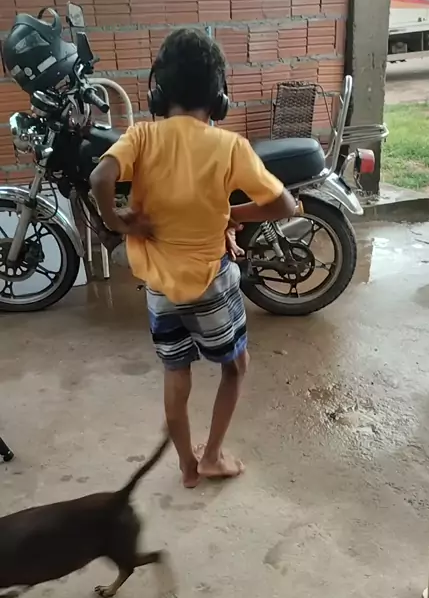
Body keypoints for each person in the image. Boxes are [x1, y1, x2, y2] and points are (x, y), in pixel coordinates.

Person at [90, 28, 296, 488]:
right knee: (235, 366)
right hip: (211, 283)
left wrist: (119, 222)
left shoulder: (140, 136)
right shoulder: (229, 146)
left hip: (159, 288)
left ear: (158, 93)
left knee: (176, 371)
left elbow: (100, 177)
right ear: (219, 99)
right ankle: (213, 456)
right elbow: (283, 204)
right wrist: (232, 213)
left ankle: (187, 465)